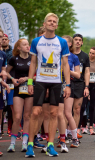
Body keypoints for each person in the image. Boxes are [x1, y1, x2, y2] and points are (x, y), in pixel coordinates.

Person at [25, 13, 71, 157]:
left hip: (56, 82)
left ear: (56, 25)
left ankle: (50, 145)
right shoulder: (36, 41)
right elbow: (33, 63)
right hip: (40, 81)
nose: (52, 23)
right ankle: (30, 145)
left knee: (53, 113)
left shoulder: (62, 42)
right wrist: (30, 81)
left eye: (54, 22)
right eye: (49, 21)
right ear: (44, 24)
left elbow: (65, 64)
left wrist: (68, 84)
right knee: (36, 112)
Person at [6, 39, 33, 152]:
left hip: (30, 89)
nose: (27, 46)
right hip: (18, 90)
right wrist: (13, 79)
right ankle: (12, 144)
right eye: (24, 44)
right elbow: (5, 72)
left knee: (27, 117)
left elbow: (38, 75)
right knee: (17, 117)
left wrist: (27, 78)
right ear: (19, 47)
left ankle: (24, 143)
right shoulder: (14, 59)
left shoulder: (33, 59)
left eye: (28, 44)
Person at [56, 35, 81, 153]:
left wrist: (66, 70)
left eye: (65, 42)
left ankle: (75, 138)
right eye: (61, 42)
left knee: (68, 113)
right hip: (55, 85)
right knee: (58, 114)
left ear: (70, 44)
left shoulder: (74, 57)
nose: (63, 44)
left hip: (68, 85)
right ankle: (62, 138)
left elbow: (78, 75)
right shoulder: (56, 55)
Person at [71, 34, 90, 136]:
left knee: (77, 110)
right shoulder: (68, 54)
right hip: (68, 83)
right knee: (67, 110)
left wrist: (86, 87)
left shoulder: (85, 56)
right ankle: (65, 133)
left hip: (79, 84)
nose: (77, 41)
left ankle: (75, 132)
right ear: (72, 41)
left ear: (82, 42)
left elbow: (87, 72)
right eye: (76, 40)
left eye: (79, 40)